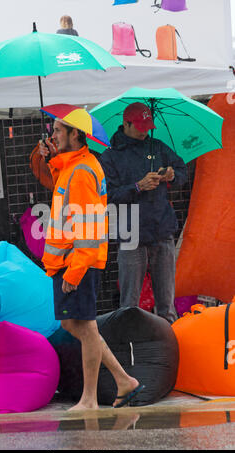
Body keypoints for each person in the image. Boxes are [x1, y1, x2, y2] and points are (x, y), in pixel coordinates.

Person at [38, 118, 145, 410]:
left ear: (76, 134)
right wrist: (51, 158)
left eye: (59, 130)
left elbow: (89, 228)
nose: (54, 134)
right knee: (75, 324)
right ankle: (124, 380)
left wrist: (74, 272)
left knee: (84, 327)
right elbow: (61, 181)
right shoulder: (74, 166)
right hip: (71, 260)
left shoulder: (82, 172)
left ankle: (90, 399)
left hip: (78, 262)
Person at [100, 102, 187, 325]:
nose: (144, 131)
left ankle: (171, 347)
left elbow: (182, 170)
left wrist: (171, 175)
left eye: (148, 126)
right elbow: (106, 196)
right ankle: (130, 348)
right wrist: (137, 186)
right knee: (129, 304)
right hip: (131, 233)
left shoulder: (157, 146)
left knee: (167, 304)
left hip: (161, 229)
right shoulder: (109, 156)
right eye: (139, 126)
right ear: (125, 124)